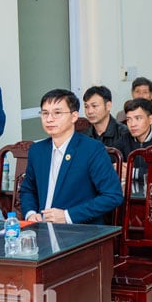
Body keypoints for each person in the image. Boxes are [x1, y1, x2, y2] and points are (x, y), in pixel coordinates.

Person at [19, 89, 123, 225]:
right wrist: (31, 213)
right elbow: (28, 189)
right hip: (42, 230)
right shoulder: (37, 150)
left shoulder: (92, 149)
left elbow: (112, 196)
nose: (49, 119)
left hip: (79, 231)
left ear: (74, 116)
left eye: (57, 113)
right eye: (45, 113)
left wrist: (68, 216)